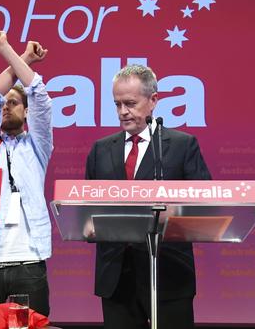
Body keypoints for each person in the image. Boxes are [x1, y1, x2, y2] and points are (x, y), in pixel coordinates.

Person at [85, 64, 212, 329]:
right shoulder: (100, 149)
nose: (122, 112)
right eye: (117, 104)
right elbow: (87, 206)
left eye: (130, 103)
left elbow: (204, 202)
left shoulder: (181, 145)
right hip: (116, 278)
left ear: (153, 100)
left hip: (168, 275)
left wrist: (172, 214)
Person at [0, 30, 53, 316]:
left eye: (13, 103)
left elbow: (39, 94)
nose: (5, 107)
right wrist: (21, 56)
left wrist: (8, 51)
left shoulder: (38, 146)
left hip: (29, 263)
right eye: (3, 104)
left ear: (26, 112)